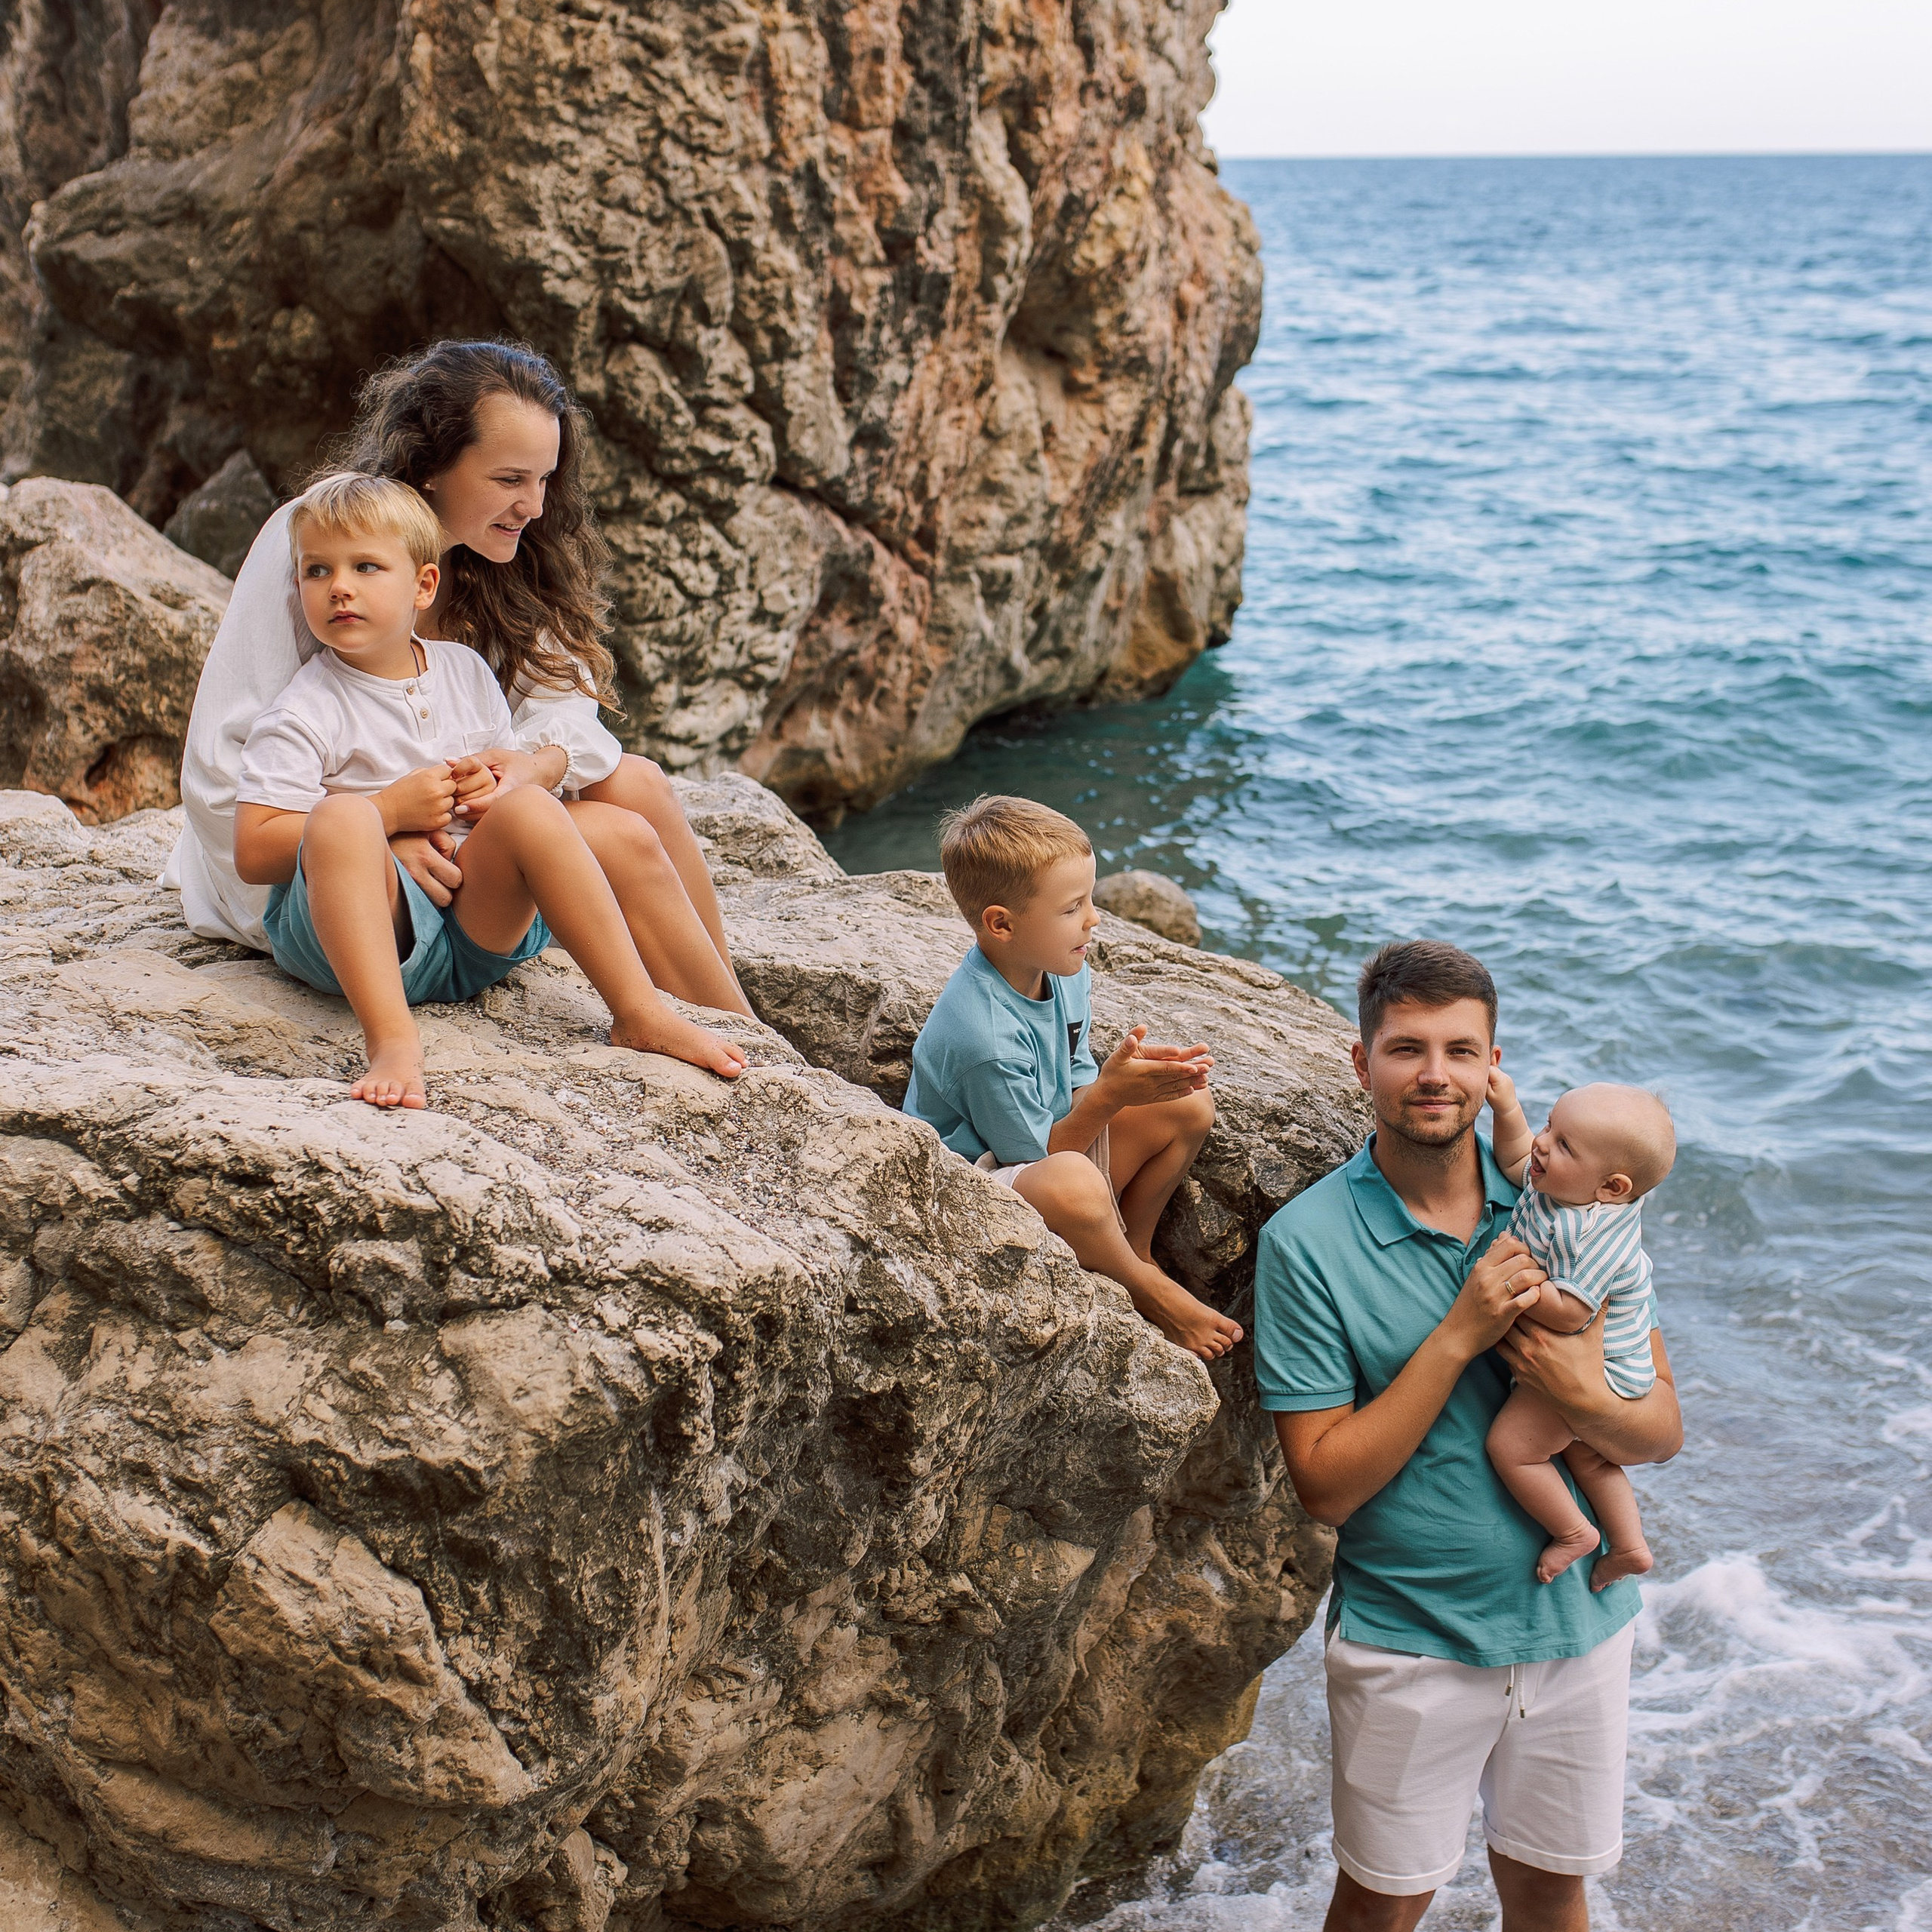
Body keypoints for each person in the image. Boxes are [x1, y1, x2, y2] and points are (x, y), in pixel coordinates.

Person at [1254, 940, 1683, 1932]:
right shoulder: (1309, 1244)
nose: (1435, 1074)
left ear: (1494, 1068)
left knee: (1550, 1890)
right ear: (1362, 1065)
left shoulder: (1561, 1199)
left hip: (1578, 1631)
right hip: (1414, 1641)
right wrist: (1460, 1336)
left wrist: (1585, 1392)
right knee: (1383, 1902)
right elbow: (1324, 1487)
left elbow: (1659, 1428)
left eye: (1461, 1049)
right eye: (1406, 1049)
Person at [168, 339, 748, 1021]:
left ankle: (734, 1021)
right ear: (434, 465)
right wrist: (376, 834)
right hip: (332, 877)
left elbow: (568, 712)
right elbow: (219, 770)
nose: (533, 506)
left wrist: (535, 765)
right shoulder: (335, 540)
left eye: (545, 479)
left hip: (456, 850)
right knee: (596, 811)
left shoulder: (506, 557)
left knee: (637, 782)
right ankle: (694, 1020)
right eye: (509, 480)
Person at [231, 473, 746, 1108]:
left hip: (475, 929)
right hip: (371, 942)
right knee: (340, 819)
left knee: (541, 809)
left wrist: (488, 788)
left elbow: (512, 812)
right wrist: (386, 814)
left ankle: (639, 1010)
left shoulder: (465, 671)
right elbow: (254, 851)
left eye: (366, 567)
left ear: (424, 585)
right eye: (316, 571)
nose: (339, 586)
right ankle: (393, 1041)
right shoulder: (306, 709)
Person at [903, 795, 1242, 1363]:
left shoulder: (1064, 969)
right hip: (982, 1178)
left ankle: (1132, 1247)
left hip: (1055, 1142)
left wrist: (1128, 1083)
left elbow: (1078, 1077)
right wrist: (1110, 1097)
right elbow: (1034, 1152)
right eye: (1072, 907)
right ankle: (1142, 1286)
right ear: (1002, 924)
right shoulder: (982, 1037)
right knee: (1074, 1181)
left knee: (1189, 1101)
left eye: (1089, 898)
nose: (1094, 918)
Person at [1484, 1075, 1675, 1589]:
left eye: (1562, 1143)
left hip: (1601, 1369)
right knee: (1587, 1455)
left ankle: (1574, 1533)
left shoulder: (1594, 1236)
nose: (1542, 1143)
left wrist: (1512, 1283)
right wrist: (1507, 1110)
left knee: (1513, 1448)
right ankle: (1631, 1546)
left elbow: (1571, 1312)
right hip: (1609, 1368)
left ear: (1611, 1188)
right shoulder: (1564, 1186)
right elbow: (1513, 1160)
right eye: (1550, 1124)